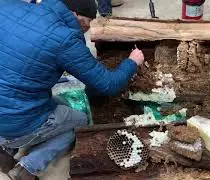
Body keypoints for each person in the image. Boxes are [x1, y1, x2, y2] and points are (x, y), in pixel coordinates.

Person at [0, 0, 144, 179]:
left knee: (61, 105)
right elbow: (108, 84)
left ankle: (5, 147)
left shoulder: (7, 6)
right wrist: (132, 62)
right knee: (81, 121)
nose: (88, 28)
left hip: (13, 103)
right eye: (86, 22)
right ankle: (28, 167)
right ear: (74, 14)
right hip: (16, 119)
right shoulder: (63, 38)